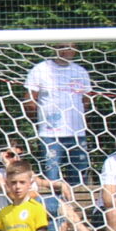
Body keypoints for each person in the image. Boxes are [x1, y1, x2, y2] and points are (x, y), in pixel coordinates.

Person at [26, 42, 95, 191]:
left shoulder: (80, 71)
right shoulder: (40, 70)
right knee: (51, 177)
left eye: (70, 47)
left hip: (77, 133)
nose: (66, 51)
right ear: (55, 48)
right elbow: (29, 100)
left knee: (78, 177)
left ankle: (77, 210)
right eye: (62, 46)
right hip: (50, 134)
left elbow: (86, 100)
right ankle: (54, 210)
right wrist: (39, 120)